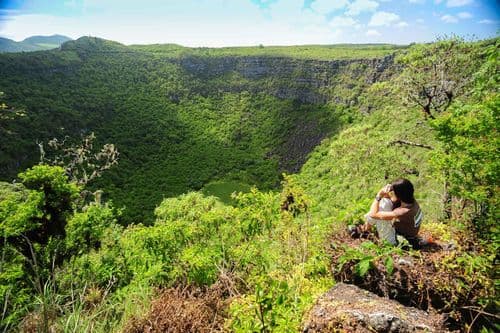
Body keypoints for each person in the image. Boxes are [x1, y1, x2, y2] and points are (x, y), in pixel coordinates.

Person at [350, 178, 424, 247]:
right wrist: (388, 191)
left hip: (404, 238)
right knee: (384, 202)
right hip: (409, 231)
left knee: (381, 215)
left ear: (398, 195)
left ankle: (388, 242)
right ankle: (365, 229)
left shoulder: (404, 211)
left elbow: (373, 214)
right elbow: (390, 199)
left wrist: (378, 195)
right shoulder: (409, 200)